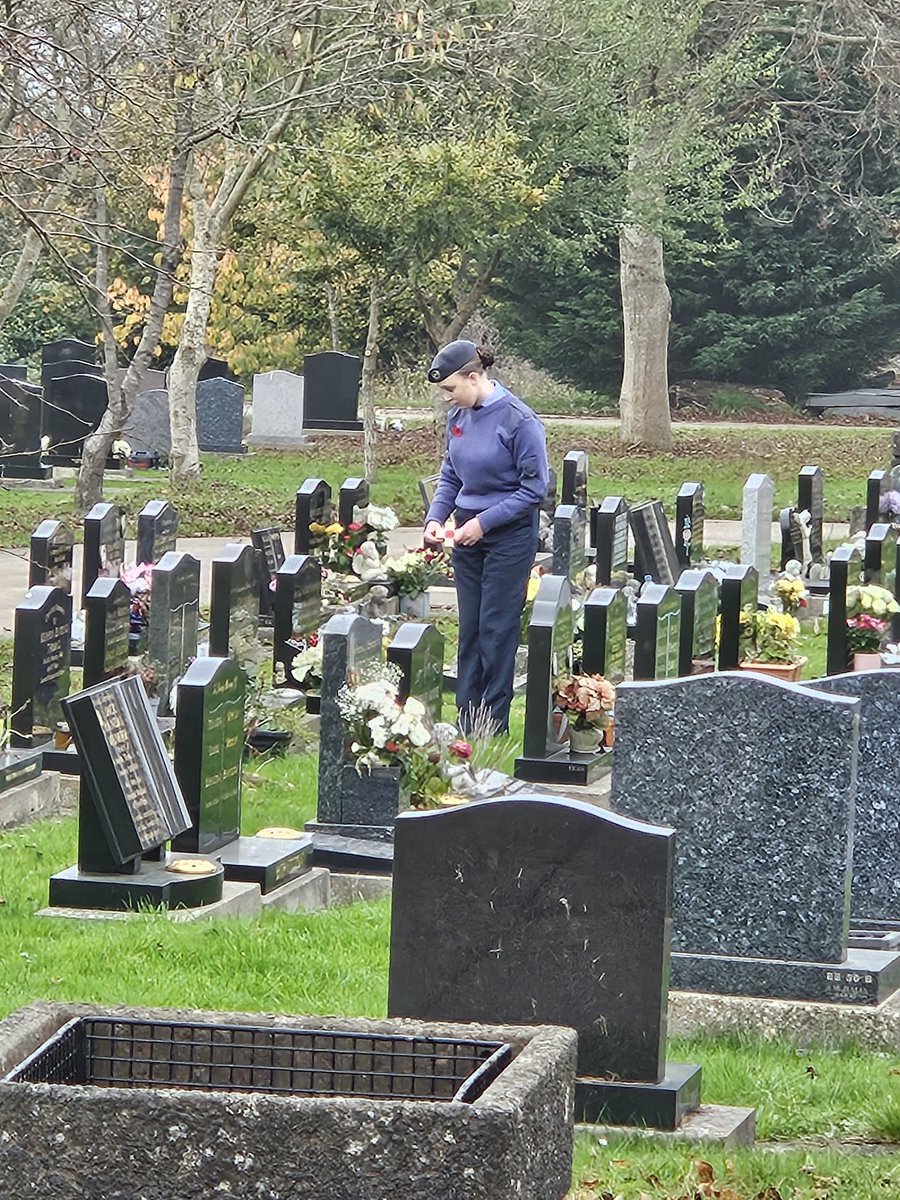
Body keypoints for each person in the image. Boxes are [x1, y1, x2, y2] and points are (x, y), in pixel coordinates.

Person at [423, 339, 549, 733]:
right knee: (471, 629)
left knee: (496, 629)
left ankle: (492, 724)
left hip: (507, 536)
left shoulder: (519, 421)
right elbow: (451, 474)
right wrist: (436, 517)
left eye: (451, 389)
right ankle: (466, 720)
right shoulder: (458, 418)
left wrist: (484, 523)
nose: (447, 398)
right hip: (465, 535)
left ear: (474, 377)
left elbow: (534, 489)